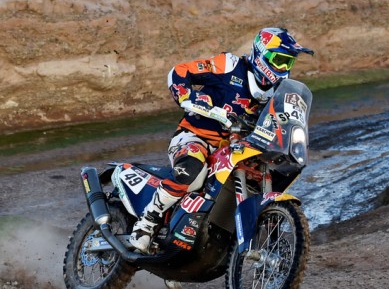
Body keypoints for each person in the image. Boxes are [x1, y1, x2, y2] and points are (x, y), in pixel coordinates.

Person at [129, 27, 314, 253]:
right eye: (279, 60)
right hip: (196, 137)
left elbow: (284, 120)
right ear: (261, 53)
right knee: (192, 172)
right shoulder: (229, 65)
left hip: (239, 148)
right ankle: (147, 223)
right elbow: (180, 71)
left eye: (289, 63)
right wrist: (188, 96)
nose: (284, 68)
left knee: (265, 175)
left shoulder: (279, 91)